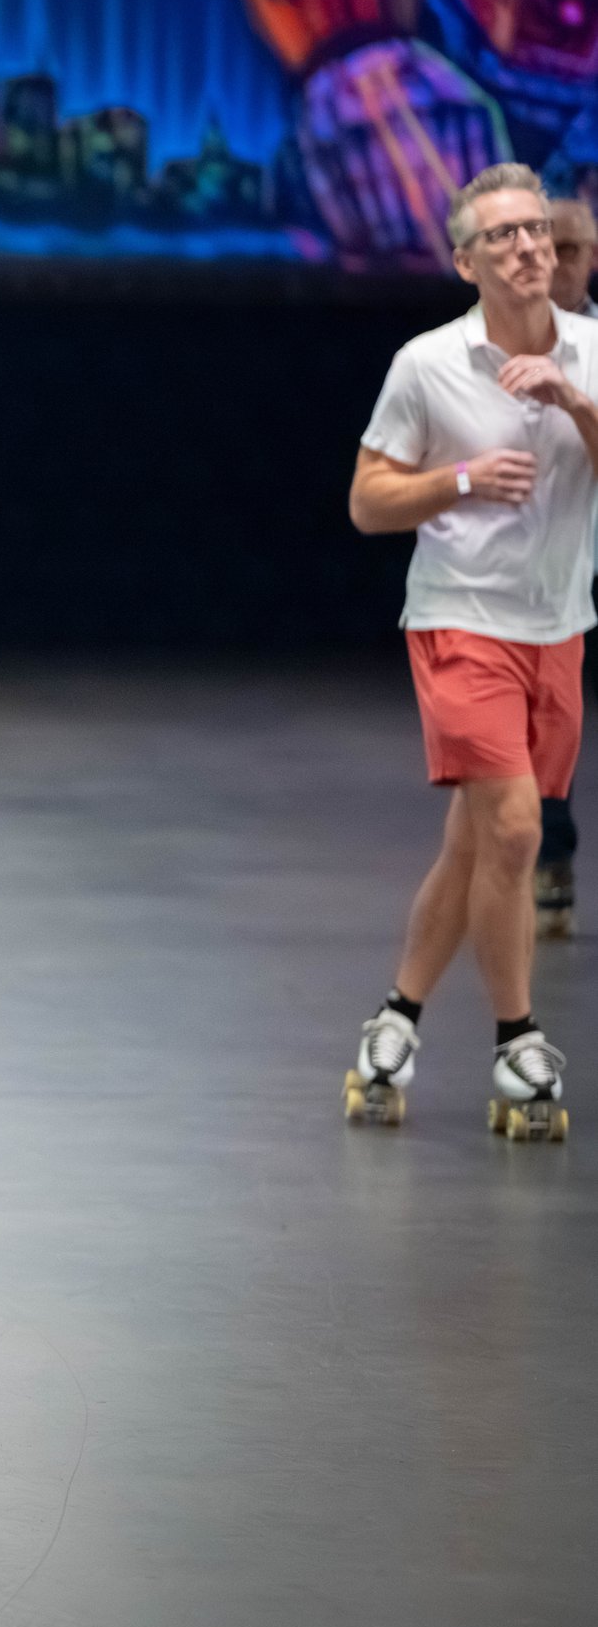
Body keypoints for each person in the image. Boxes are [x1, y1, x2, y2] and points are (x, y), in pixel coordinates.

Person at [343, 164, 596, 1137]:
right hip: (459, 620)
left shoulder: (590, 350)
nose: (529, 247)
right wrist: (458, 477)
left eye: (537, 230)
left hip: (557, 624)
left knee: (476, 841)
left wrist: (574, 402)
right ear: (464, 261)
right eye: (503, 236)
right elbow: (367, 502)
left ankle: (394, 1017)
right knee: (519, 832)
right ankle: (516, 1043)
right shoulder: (426, 364)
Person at [533, 196, 596, 938]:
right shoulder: (494, 345)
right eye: (552, 249)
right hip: (547, 560)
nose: (561, 264)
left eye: (575, 249)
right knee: (549, 725)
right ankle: (550, 854)